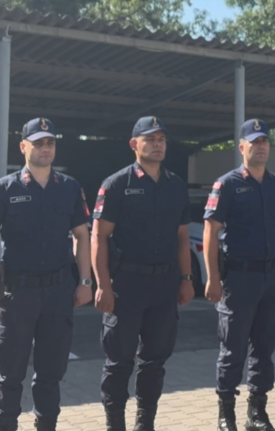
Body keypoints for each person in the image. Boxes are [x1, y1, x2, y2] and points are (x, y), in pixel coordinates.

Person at [0, 118, 93, 431]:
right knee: (10, 373)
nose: (45, 148)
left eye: (50, 142)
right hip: (17, 294)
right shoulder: (3, 189)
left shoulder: (69, 188)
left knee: (51, 373)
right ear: (23, 147)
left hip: (58, 292)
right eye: (38, 143)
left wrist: (85, 281)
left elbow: (83, 236)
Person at [91, 116, 194, 431]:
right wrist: (102, 285)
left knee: (155, 361)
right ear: (134, 145)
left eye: (162, 139)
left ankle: (144, 422)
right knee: (119, 361)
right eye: (150, 139)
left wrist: (187, 280)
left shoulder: (176, 185)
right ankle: (115, 424)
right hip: (126, 285)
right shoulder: (117, 184)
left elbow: (182, 237)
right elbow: (99, 236)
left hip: (164, 285)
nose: (158, 144)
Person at [202, 119, 275, 431]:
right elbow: (211, 232)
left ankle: (257, 412)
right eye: (253, 142)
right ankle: (225, 413)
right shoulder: (227, 184)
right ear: (241, 147)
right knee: (233, 348)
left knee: (265, 347)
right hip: (239, 278)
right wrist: (213, 278)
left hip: (271, 277)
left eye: (264, 141)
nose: (260, 146)